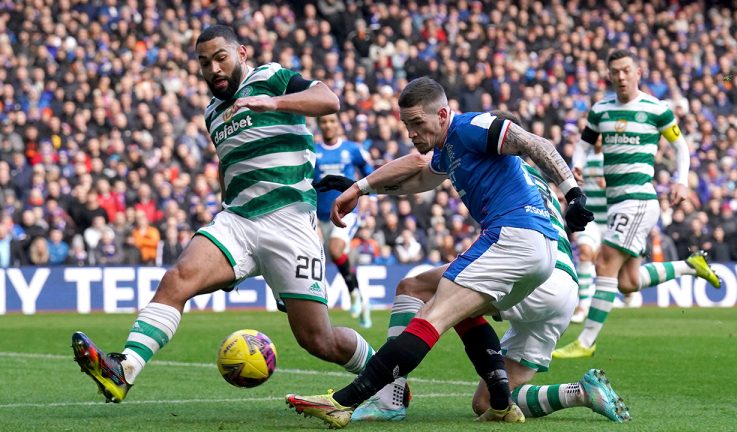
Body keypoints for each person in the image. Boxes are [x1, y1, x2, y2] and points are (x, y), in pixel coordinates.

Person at [71, 25, 376, 404]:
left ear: (242, 53)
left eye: (220, 57)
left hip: (290, 225)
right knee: (176, 279)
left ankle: (383, 375)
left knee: (319, 341)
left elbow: (328, 100)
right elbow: (228, 165)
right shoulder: (213, 113)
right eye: (204, 62)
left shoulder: (271, 78)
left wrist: (273, 103)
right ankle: (125, 368)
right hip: (239, 220)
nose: (213, 68)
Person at [285, 76, 593, 428]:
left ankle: (345, 401)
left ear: (444, 114)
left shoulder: (470, 126)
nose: (412, 132)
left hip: (514, 236)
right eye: (407, 125)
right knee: (460, 308)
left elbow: (532, 141)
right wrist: (363, 188)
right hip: (542, 257)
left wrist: (573, 192)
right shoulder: (449, 152)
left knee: (430, 314)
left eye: (417, 123)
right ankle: (502, 403)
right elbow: (417, 177)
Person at [554, 49, 721, 359]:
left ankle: (586, 341)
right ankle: (689, 266)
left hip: (639, 200)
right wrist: (576, 165)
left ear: (638, 72)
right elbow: (584, 144)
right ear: (608, 74)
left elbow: (680, 146)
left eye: (626, 70)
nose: (620, 76)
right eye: (615, 71)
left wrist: (681, 180)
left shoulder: (656, 109)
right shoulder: (601, 110)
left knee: (604, 261)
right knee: (628, 282)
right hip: (618, 203)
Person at [313, 112, 374, 328]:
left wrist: (369, 198)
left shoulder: (352, 149)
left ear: (339, 125)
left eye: (332, 121)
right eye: (324, 122)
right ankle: (357, 295)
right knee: (331, 257)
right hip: (321, 217)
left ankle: (355, 296)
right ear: (319, 126)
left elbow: (369, 172)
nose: (328, 125)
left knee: (336, 250)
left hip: (348, 212)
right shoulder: (314, 152)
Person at [570, 141, 607, 323]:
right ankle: (583, 305)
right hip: (590, 218)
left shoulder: (613, 159)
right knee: (585, 253)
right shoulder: (582, 160)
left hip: (610, 220)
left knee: (605, 264)